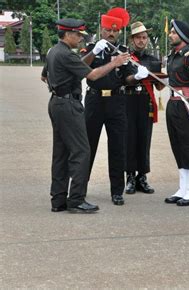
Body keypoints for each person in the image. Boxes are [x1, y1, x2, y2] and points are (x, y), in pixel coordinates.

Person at [41, 18, 129, 213]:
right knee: (82, 151)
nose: (80, 38)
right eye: (78, 35)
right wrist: (115, 63)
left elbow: (44, 76)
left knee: (61, 153)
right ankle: (77, 199)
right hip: (69, 105)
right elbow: (93, 75)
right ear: (68, 34)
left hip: (56, 102)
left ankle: (58, 199)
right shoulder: (66, 54)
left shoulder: (53, 52)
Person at [81, 8, 149, 206]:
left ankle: (117, 191)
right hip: (94, 102)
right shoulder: (93, 47)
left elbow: (127, 76)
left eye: (115, 31)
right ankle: (80, 187)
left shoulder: (122, 52)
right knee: (88, 146)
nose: (111, 34)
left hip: (117, 103)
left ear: (120, 32)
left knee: (118, 147)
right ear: (102, 30)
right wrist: (94, 52)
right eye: (108, 30)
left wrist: (136, 77)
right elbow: (81, 66)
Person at [163, 20, 189, 206]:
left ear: (183, 37)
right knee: (177, 146)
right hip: (172, 103)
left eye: (173, 32)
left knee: (188, 146)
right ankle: (183, 188)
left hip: (185, 105)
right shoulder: (173, 56)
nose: (170, 35)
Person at [124, 21, 164, 195]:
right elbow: (124, 79)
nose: (142, 40)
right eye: (138, 38)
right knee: (129, 139)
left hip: (145, 103)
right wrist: (135, 76)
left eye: (144, 37)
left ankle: (142, 177)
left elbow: (160, 87)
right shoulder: (125, 58)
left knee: (144, 139)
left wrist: (165, 77)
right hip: (129, 102)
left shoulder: (153, 60)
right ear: (132, 39)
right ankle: (130, 177)